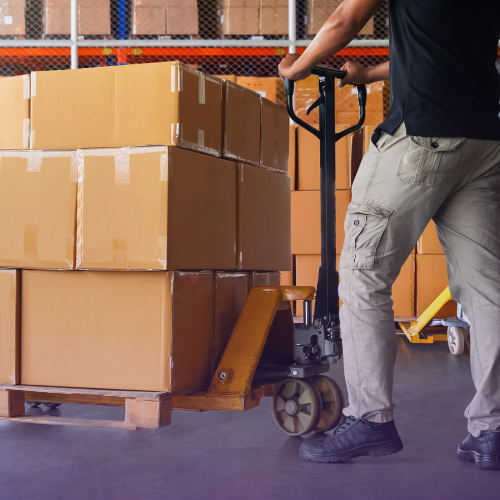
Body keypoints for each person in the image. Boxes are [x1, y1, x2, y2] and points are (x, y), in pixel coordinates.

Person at [279, 0, 500, 470]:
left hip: (419, 140)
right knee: (489, 293)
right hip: (483, 143)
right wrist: (373, 76)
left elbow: (344, 21)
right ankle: (493, 431)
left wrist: (296, 67)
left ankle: (370, 419)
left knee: (363, 277)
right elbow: (451, 50)